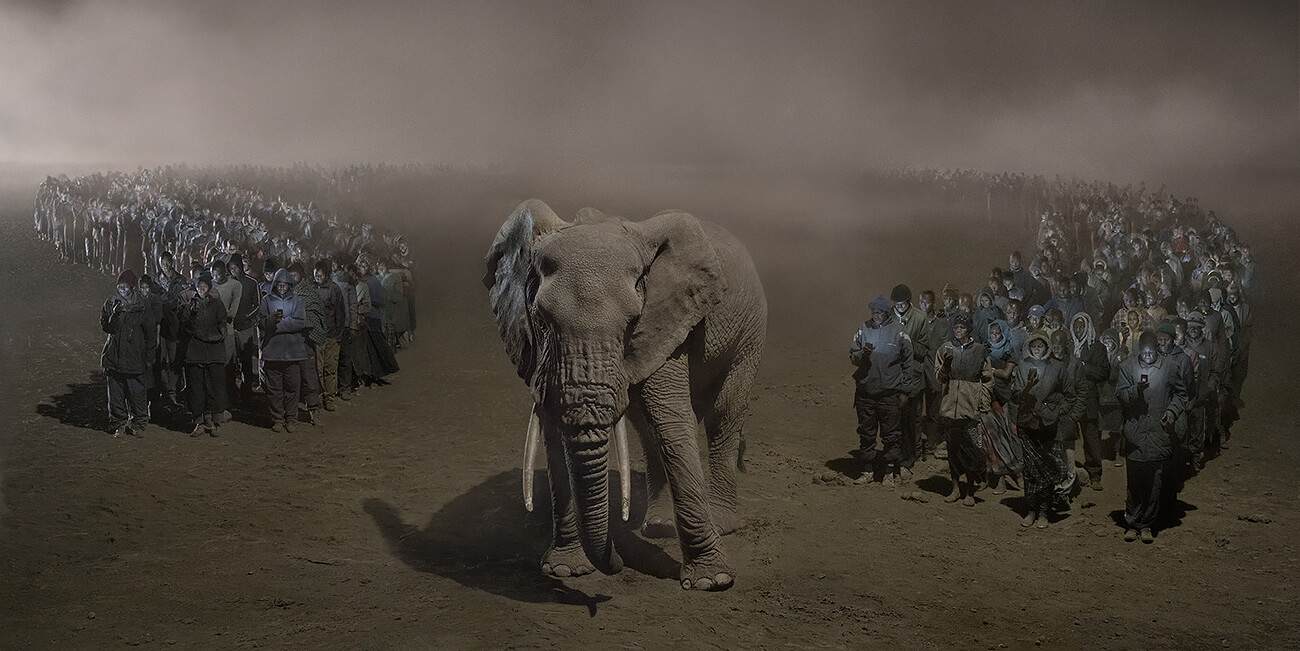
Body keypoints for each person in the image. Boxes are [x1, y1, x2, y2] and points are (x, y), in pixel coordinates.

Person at [1116, 332, 1188, 543]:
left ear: (1157, 349)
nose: (1148, 356)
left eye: (1152, 352)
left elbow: (1181, 394)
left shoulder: (1169, 367)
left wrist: (1172, 411)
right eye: (1145, 352)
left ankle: (1147, 524)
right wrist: (1135, 391)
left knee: (1154, 481)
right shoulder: (1127, 367)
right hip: (1135, 431)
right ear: (1139, 350)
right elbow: (1119, 394)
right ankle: (1132, 522)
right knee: (1134, 480)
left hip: (1159, 431)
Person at [849, 294, 914, 488]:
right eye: (873, 312)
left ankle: (889, 472)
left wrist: (904, 391)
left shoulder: (899, 332)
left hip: (889, 393)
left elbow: (908, 363)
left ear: (887, 313)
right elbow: (853, 356)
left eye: (879, 312)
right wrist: (863, 353)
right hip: (866, 393)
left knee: (891, 434)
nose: (875, 315)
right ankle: (867, 470)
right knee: (866, 433)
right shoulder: (863, 329)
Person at [1011, 331, 1073, 528]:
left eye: (1041, 346)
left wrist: (1056, 411)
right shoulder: (1022, 367)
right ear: (1029, 348)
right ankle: (1031, 510)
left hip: (1048, 425)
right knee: (1030, 468)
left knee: (1046, 467)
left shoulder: (1057, 367)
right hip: (1027, 423)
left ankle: (1044, 512)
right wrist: (1027, 388)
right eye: (1034, 346)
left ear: (1046, 348)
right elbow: (1015, 397)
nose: (1037, 350)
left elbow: (1069, 395)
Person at [934, 313, 991, 506]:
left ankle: (970, 492)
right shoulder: (945, 349)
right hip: (950, 408)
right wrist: (945, 368)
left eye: (962, 327)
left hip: (970, 409)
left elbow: (987, 380)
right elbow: (939, 379)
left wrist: (982, 404)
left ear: (969, 329)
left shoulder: (979, 351)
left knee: (971, 452)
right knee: (953, 452)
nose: (958, 330)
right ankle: (955, 488)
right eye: (956, 327)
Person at [102, 269, 153, 437]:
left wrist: (150, 355)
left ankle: (139, 422)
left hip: (135, 355)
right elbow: (107, 327)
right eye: (120, 286)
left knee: (137, 392)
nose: (122, 289)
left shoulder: (142, 305)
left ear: (132, 287)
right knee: (115, 393)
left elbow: (150, 332)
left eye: (125, 286)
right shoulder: (111, 303)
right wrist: (114, 315)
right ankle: (119, 423)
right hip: (115, 353)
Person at [258, 269, 309, 433]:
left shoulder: (298, 301)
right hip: (273, 351)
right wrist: (271, 320)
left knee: (293, 387)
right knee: (274, 389)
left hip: (293, 352)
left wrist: (277, 326)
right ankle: (277, 419)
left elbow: (300, 322)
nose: (281, 287)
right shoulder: (266, 301)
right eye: (279, 285)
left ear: (289, 285)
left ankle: (291, 418)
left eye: (284, 285)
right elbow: (261, 323)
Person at [179, 272, 227, 436]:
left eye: (204, 286)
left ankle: (215, 421)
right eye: (199, 287)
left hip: (214, 351)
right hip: (196, 351)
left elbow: (222, 325)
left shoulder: (217, 305)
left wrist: (213, 336)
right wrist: (192, 315)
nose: (201, 289)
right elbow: (185, 326)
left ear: (209, 288)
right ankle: (199, 421)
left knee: (214, 387)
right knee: (196, 388)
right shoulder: (190, 306)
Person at [1069, 313, 1110, 490]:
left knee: (1091, 435)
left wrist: (1084, 367)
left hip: (1089, 398)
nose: (1079, 331)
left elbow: (1103, 372)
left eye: (1082, 327)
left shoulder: (1097, 347)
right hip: (1070, 397)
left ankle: (1095, 474)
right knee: (1067, 435)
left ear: (1088, 327)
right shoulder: (1068, 346)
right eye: (1076, 327)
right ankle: (1068, 472)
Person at [891, 283, 929, 473]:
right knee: (894, 419)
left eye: (902, 304)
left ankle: (912, 454)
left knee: (913, 419)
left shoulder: (919, 318)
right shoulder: (887, 317)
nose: (899, 306)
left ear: (909, 302)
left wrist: (906, 342)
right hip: (892, 378)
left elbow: (924, 349)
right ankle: (896, 453)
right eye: (896, 304)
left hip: (912, 376)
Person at [289, 263, 326, 424]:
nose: (292, 278)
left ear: (301, 276)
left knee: (309, 375)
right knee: (292, 378)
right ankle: (291, 413)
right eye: (289, 275)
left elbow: (316, 313)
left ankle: (314, 410)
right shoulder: (284, 293)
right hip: (290, 342)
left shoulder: (309, 293)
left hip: (306, 341)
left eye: (295, 275)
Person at [312, 259, 347, 410]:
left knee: (330, 368)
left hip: (331, 334)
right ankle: (319, 396)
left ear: (326, 274)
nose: (318, 275)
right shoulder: (311, 288)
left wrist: (338, 335)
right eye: (316, 272)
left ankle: (330, 397)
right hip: (316, 335)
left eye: (321, 272)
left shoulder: (334, 290)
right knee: (317, 368)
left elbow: (340, 313)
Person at [228, 254, 260, 403]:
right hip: (230, 329)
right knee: (230, 362)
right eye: (230, 268)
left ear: (240, 267)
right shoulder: (227, 283)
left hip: (245, 328)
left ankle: (247, 392)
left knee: (246, 361)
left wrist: (247, 316)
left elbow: (258, 304)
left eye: (235, 267)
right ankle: (231, 392)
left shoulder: (251, 283)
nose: (233, 270)